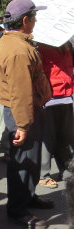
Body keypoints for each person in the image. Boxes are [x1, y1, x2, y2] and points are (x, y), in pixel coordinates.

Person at [0, 0, 54, 229]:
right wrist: (23, 125)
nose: (35, 21)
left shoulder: (7, 42)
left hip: (21, 110)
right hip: (23, 112)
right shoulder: (18, 50)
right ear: (25, 20)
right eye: (34, 17)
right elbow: (22, 91)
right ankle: (18, 211)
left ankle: (29, 197)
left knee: (30, 160)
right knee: (22, 162)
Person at [37, 42, 74, 188]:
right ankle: (43, 174)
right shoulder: (40, 49)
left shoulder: (68, 47)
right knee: (47, 137)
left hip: (66, 97)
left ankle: (66, 169)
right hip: (49, 99)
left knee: (66, 137)